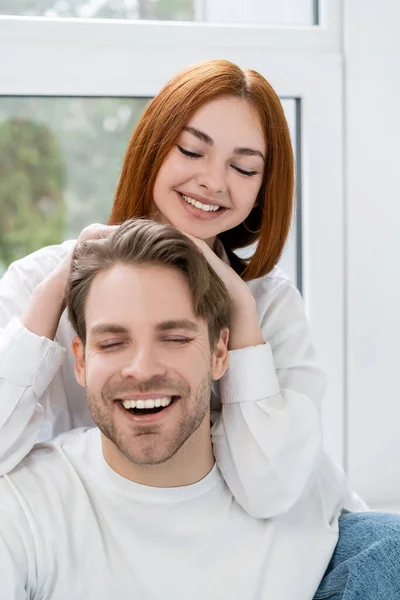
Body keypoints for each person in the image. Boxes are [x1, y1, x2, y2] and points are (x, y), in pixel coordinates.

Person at [0, 59, 361, 518]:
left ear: (262, 191)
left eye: (244, 169)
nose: (213, 181)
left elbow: (268, 489)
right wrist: (61, 283)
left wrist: (241, 309)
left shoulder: (269, 303)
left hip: (324, 542)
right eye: (192, 152)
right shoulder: (39, 282)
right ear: (152, 149)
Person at [1, 220, 399, 600]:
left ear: (220, 354)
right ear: (81, 361)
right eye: (111, 343)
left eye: (174, 338)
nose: (142, 369)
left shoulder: (299, 490)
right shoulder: (26, 508)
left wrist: (242, 303)